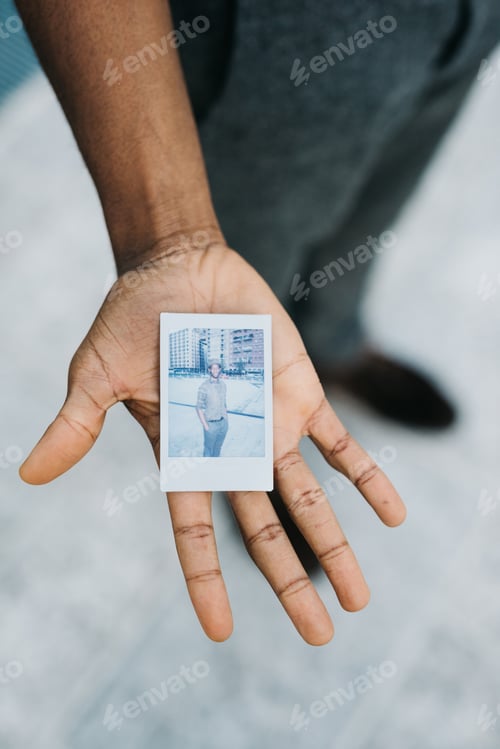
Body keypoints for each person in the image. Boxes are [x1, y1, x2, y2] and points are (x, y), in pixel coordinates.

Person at [14, 1, 500, 645]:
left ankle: (334, 342)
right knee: (246, 266)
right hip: (278, 31)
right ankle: (253, 447)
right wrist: (171, 241)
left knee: (368, 214)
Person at [196, 359, 228, 457]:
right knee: (208, 449)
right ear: (209, 370)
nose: (215, 370)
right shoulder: (204, 387)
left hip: (223, 424)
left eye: (217, 368)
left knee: (218, 448)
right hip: (211, 425)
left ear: (219, 369)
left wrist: (226, 420)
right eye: (212, 368)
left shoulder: (223, 385)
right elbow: (198, 407)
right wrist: (206, 426)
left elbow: (224, 403)